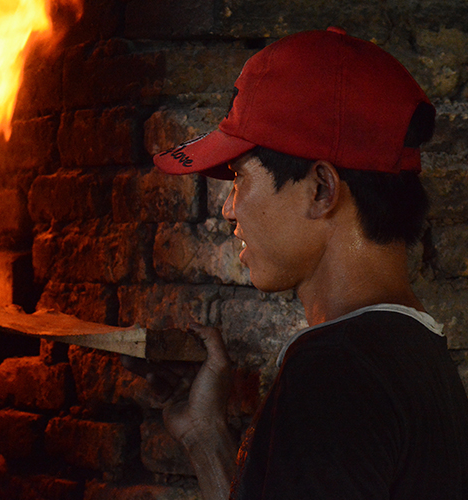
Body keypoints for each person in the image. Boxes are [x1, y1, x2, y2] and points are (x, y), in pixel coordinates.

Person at [123, 28, 468, 499]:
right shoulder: (413, 353)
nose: (228, 209)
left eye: (241, 178)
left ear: (321, 189)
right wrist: (205, 438)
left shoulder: (335, 373)